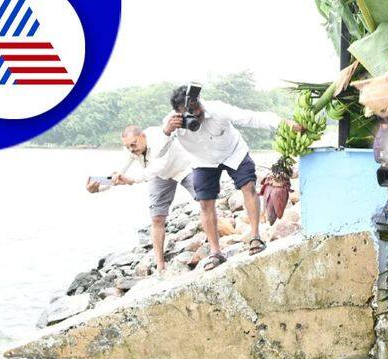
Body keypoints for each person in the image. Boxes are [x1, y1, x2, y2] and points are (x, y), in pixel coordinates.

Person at [162, 85, 295, 270]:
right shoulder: (171, 123)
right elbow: (159, 151)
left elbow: (251, 118)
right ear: (179, 113)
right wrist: (167, 132)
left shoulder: (217, 109)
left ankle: (255, 236)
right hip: (203, 161)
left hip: (234, 151)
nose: (198, 111)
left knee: (248, 187)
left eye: (197, 105)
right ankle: (216, 253)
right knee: (205, 203)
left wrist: (283, 123)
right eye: (191, 111)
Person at [86, 125, 193, 273]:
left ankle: (217, 246)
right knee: (157, 218)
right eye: (127, 146)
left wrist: (132, 180)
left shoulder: (158, 138)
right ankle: (160, 266)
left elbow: (157, 166)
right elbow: (118, 173)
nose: (131, 149)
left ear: (143, 136)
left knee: (205, 201)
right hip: (160, 176)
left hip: (182, 168)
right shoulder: (131, 149)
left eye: (133, 144)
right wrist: (98, 188)